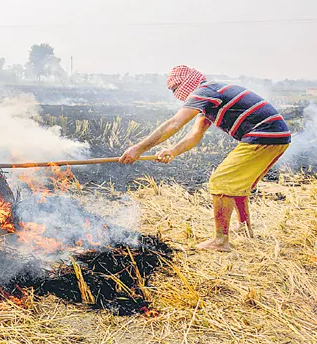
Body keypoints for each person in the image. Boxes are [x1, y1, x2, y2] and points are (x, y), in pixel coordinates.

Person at [119, 65, 291, 252]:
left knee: (221, 181)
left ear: (187, 83)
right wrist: (173, 151)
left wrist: (139, 148)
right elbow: (196, 133)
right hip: (278, 136)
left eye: (176, 89)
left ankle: (220, 242)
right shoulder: (210, 96)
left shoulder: (204, 91)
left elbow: (174, 123)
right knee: (239, 183)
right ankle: (244, 228)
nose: (177, 94)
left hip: (264, 134)